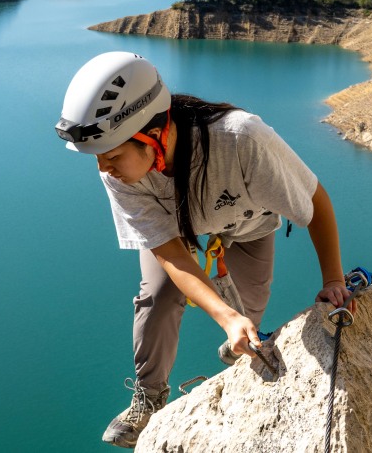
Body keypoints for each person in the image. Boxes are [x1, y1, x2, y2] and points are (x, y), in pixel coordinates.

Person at [55, 51, 352, 448]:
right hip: (177, 231)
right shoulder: (120, 174)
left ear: (153, 135)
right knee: (159, 296)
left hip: (247, 225)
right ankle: (150, 395)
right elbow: (171, 254)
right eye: (98, 158)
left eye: (111, 156)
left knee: (250, 311)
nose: (104, 169)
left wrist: (333, 280)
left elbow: (315, 203)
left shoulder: (242, 139)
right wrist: (224, 316)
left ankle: (238, 346)